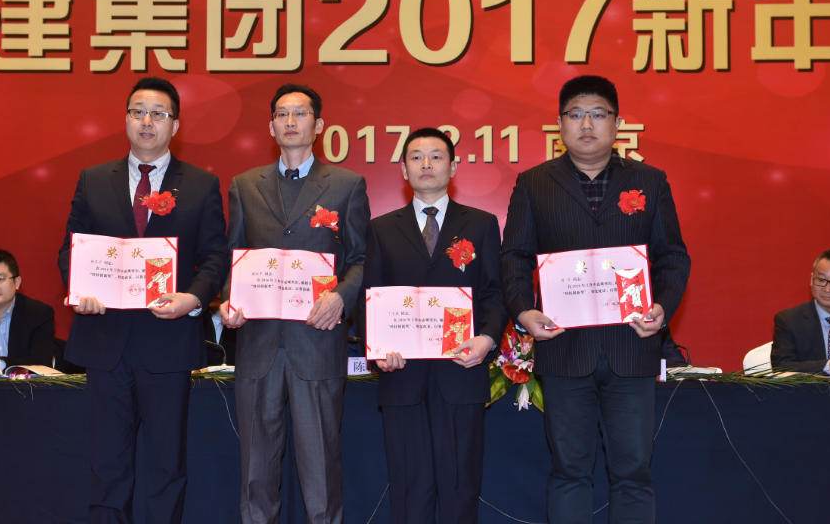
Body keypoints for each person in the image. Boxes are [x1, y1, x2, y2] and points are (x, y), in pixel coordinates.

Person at [500, 75, 691, 524]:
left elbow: (673, 257)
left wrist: (662, 308)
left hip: (632, 346)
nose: (587, 124)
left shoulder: (649, 181)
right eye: (576, 114)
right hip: (564, 349)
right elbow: (514, 256)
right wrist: (524, 310)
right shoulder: (534, 183)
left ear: (617, 123)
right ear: (560, 124)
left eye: (598, 114)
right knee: (569, 471)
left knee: (633, 473)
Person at [58, 77, 229, 524]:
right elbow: (71, 250)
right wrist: (80, 291)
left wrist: (193, 298)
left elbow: (215, 256)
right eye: (138, 111)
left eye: (158, 113)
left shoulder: (201, 184)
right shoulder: (94, 179)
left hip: (168, 342)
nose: (146, 121)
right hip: (105, 338)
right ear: (126, 119)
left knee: (165, 463)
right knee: (107, 462)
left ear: (175, 125)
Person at [219, 83, 369, 524]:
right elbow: (234, 257)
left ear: (318, 126)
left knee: (321, 470)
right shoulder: (245, 185)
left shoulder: (346, 185)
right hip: (257, 344)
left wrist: (341, 297)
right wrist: (228, 301)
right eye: (282, 114)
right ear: (270, 127)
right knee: (255, 474)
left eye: (300, 114)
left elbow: (362, 260)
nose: (290, 121)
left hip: (316, 342)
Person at [356, 128, 507, 524]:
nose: (426, 164)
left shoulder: (482, 224)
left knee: (460, 486)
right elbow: (368, 297)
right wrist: (377, 350)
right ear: (403, 169)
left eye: (436, 156)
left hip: (461, 372)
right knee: (408, 487)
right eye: (416, 157)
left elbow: (494, 293)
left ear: (453, 167)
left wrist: (487, 339)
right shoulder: (381, 228)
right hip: (402, 374)